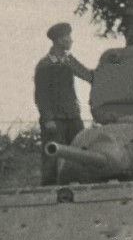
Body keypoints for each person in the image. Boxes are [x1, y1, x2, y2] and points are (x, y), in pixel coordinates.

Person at [35, 22, 93, 185]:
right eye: (67, 37)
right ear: (59, 40)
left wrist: (111, 69)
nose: (70, 40)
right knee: (53, 157)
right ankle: (49, 192)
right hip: (55, 119)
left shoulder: (68, 61)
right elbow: (41, 95)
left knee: (81, 153)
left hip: (72, 116)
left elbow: (88, 76)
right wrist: (48, 119)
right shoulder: (45, 64)